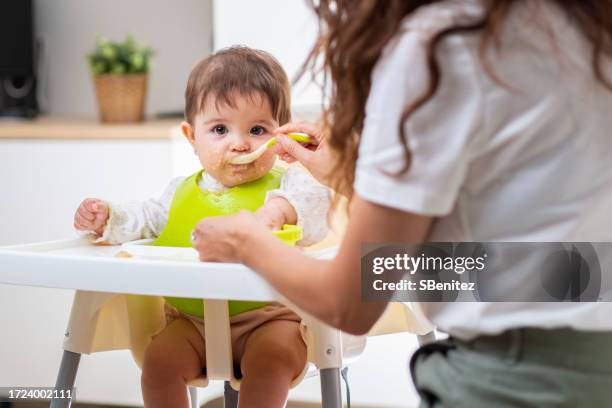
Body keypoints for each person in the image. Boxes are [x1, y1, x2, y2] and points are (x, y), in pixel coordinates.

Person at [191, 1, 612, 406]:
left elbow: (349, 305)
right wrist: (350, 178)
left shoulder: (441, 45)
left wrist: (246, 242)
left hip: (515, 380)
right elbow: (542, 271)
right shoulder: (587, 28)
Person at [73, 46, 331, 408]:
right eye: (220, 129)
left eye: (257, 129)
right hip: (193, 322)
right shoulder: (178, 192)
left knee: (271, 362)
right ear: (192, 136)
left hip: (272, 318)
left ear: (281, 134)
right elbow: (145, 218)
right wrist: (109, 218)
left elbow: (316, 205)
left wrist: (276, 212)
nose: (239, 143)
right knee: (158, 363)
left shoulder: (289, 182)